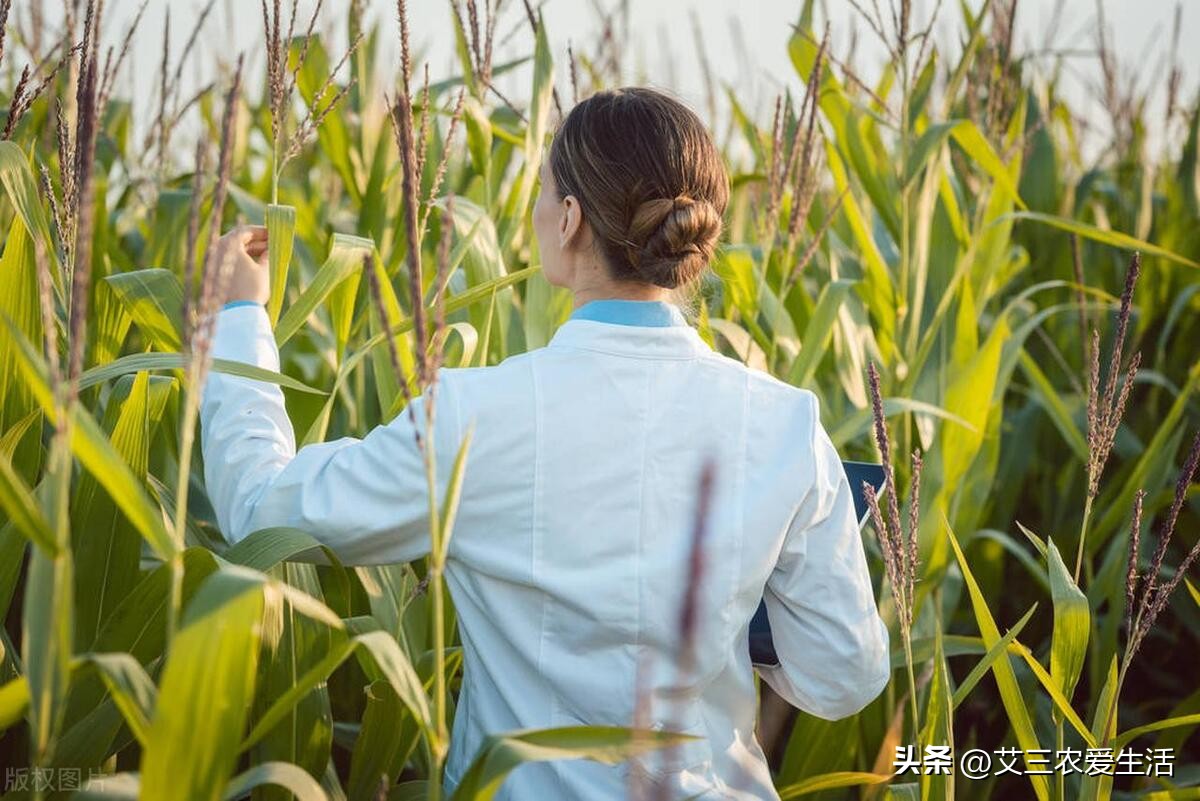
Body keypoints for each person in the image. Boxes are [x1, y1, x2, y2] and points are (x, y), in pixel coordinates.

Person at [199, 86, 890, 801]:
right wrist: (725, 607)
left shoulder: (473, 416)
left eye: (543, 193)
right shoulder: (785, 424)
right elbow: (845, 675)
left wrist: (240, 315)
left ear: (568, 220)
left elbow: (259, 514)